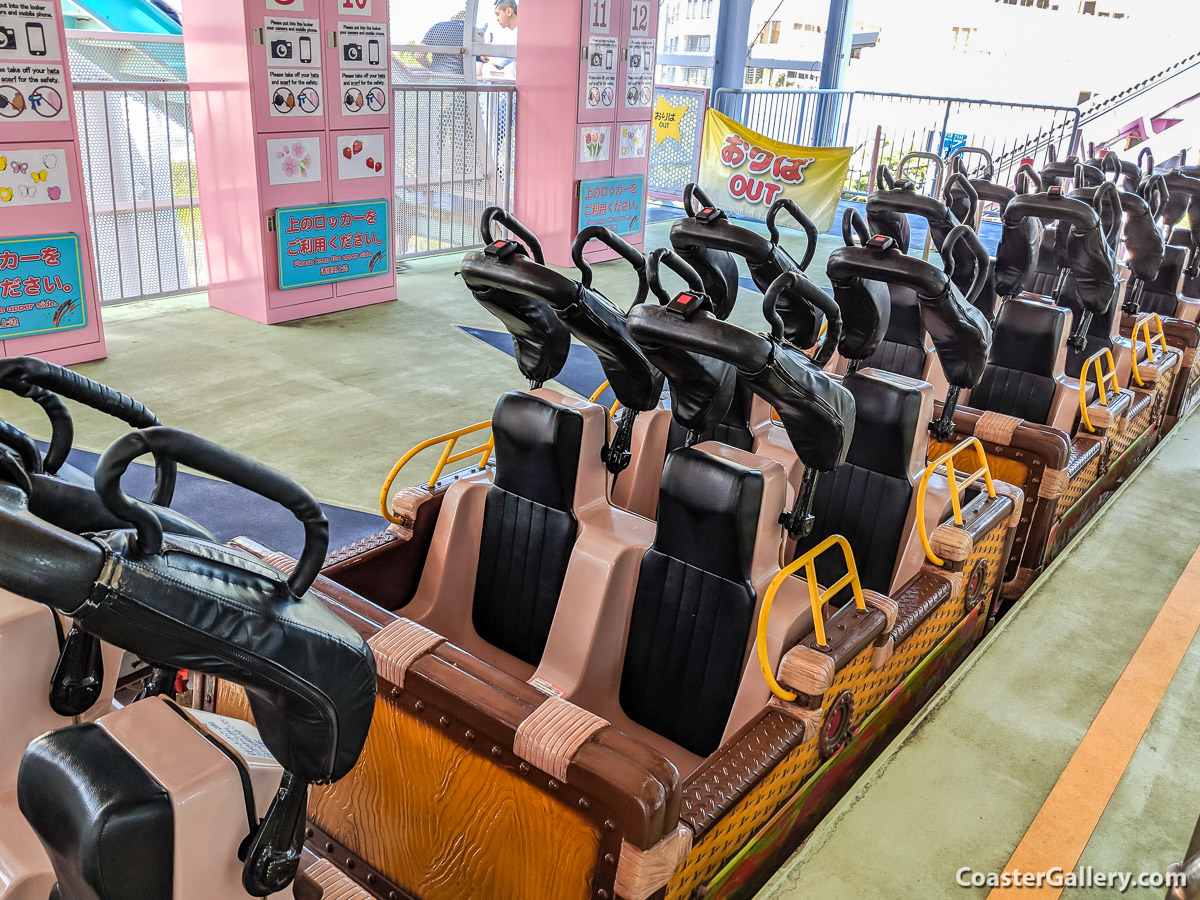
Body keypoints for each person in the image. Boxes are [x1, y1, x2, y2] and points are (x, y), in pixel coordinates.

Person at [485, 0, 518, 80]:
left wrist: (487, 55)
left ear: (509, 11)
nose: (497, 19)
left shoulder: (518, 34)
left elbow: (501, 61)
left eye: (498, 14)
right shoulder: (516, 33)